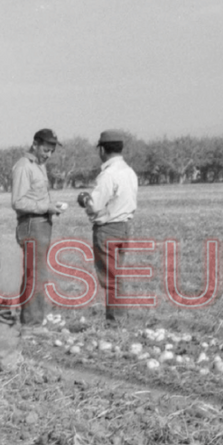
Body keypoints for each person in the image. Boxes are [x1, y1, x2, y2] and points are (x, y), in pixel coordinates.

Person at [78, 129, 140, 324]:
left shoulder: (108, 175)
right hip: (124, 227)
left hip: (107, 229)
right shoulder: (129, 172)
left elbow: (95, 205)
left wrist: (84, 199)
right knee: (117, 275)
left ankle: (116, 322)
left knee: (110, 278)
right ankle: (121, 318)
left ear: (102, 150)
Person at [9, 128, 63, 327]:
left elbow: (35, 196)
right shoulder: (24, 166)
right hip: (31, 225)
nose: (48, 155)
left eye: (51, 151)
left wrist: (50, 207)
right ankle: (32, 323)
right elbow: (18, 202)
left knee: (35, 273)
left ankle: (29, 319)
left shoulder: (39, 166)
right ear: (35, 144)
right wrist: (46, 207)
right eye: (46, 150)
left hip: (41, 223)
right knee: (37, 275)